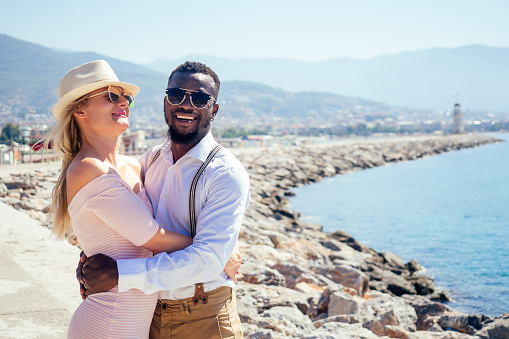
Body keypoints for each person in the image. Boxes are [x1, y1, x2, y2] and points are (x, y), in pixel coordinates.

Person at [46, 60, 240, 338]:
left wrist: (218, 250)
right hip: (108, 321)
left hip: (138, 322)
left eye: (126, 97)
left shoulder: (138, 164)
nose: (123, 101)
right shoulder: (88, 168)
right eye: (112, 95)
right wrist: (220, 254)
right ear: (79, 109)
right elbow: (153, 237)